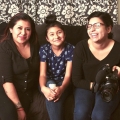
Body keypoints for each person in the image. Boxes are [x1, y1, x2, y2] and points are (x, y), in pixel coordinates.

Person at [72, 11, 120, 120]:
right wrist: (95, 86)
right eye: (89, 26)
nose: (92, 29)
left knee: (100, 115)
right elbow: (76, 80)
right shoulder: (81, 47)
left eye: (97, 25)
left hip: (109, 88)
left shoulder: (118, 49)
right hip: (85, 86)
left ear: (108, 29)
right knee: (80, 113)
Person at [0, 12, 40, 120]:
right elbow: (7, 81)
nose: (23, 33)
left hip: (27, 91)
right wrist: (19, 108)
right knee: (10, 115)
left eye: (28, 29)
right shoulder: (5, 47)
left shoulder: (35, 45)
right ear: (11, 29)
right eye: (19, 28)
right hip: (6, 89)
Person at [39, 14, 75, 120]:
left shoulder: (71, 49)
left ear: (64, 34)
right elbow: (42, 74)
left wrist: (62, 88)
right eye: (52, 34)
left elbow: (68, 75)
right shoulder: (44, 49)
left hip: (64, 83)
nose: (56, 36)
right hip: (47, 81)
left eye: (59, 32)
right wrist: (43, 88)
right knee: (51, 88)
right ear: (47, 38)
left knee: (54, 93)